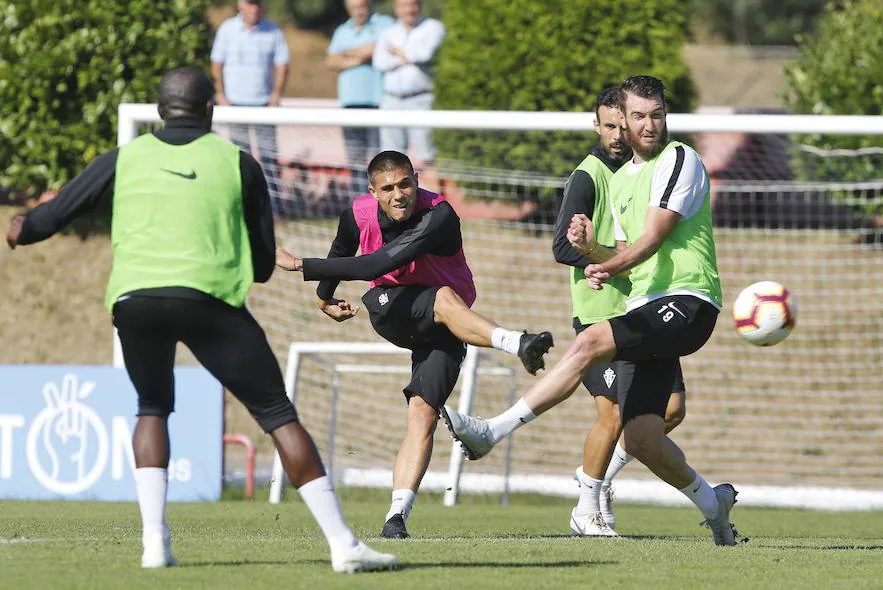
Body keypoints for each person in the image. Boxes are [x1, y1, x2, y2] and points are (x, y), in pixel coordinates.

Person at [5, 67, 396, 573]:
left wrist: (19, 227)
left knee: (151, 407)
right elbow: (259, 268)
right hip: (209, 299)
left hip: (136, 300)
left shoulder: (123, 159)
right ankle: (343, 545)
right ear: (211, 110)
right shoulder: (239, 163)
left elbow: (47, 219)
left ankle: (154, 544)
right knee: (277, 412)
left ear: (160, 110)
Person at [443, 76, 743, 546]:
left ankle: (490, 431)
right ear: (621, 120)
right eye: (639, 116)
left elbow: (652, 240)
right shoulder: (621, 181)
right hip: (647, 305)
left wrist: (610, 261)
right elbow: (621, 252)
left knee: (589, 343)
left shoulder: (679, 158)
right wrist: (594, 251)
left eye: (657, 114)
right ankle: (713, 505)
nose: (649, 125)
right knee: (644, 436)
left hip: (688, 301)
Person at [275, 150, 553, 540]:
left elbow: (374, 262)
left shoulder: (439, 215)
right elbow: (348, 253)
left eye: (405, 184)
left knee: (423, 413)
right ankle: (518, 342)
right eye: (387, 188)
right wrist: (323, 294)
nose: (398, 194)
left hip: (446, 324)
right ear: (372, 191)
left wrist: (303, 265)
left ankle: (396, 517)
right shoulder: (357, 214)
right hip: (392, 308)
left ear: (417, 180)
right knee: (440, 299)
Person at [552, 87, 687, 537]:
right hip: (600, 313)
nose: (617, 133)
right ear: (597, 126)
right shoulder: (588, 176)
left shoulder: (644, 171)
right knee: (611, 413)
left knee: (670, 410)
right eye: (608, 125)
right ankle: (587, 505)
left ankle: (597, 474)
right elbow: (560, 245)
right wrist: (602, 262)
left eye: (621, 124)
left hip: (643, 309)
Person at [211, 0, 289, 203]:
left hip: (264, 105)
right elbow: (217, 63)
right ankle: (243, 201)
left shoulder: (273, 31)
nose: (254, 8)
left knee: (269, 157)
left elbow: (282, 64)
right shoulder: (227, 30)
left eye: (257, 4)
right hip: (235, 104)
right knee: (240, 155)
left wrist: (276, 94)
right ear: (240, 5)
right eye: (250, 4)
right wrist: (220, 93)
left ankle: (273, 205)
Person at [326, 0, 395, 195]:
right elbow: (331, 60)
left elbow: (379, 47)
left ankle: (382, 202)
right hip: (350, 104)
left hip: (377, 102)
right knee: (355, 160)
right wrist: (359, 57)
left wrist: (347, 54)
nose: (359, 8)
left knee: (379, 159)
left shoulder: (384, 24)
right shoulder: (342, 30)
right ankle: (359, 203)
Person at [372, 0, 445, 167]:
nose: (409, 9)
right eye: (404, 4)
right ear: (396, 8)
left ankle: (433, 194)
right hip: (391, 100)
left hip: (421, 99)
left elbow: (424, 54)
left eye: (413, 4)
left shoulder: (433, 27)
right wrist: (406, 56)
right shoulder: (388, 32)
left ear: (420, 5)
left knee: (426, 155)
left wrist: (397, 52)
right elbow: (379, 62)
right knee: (390, 158)